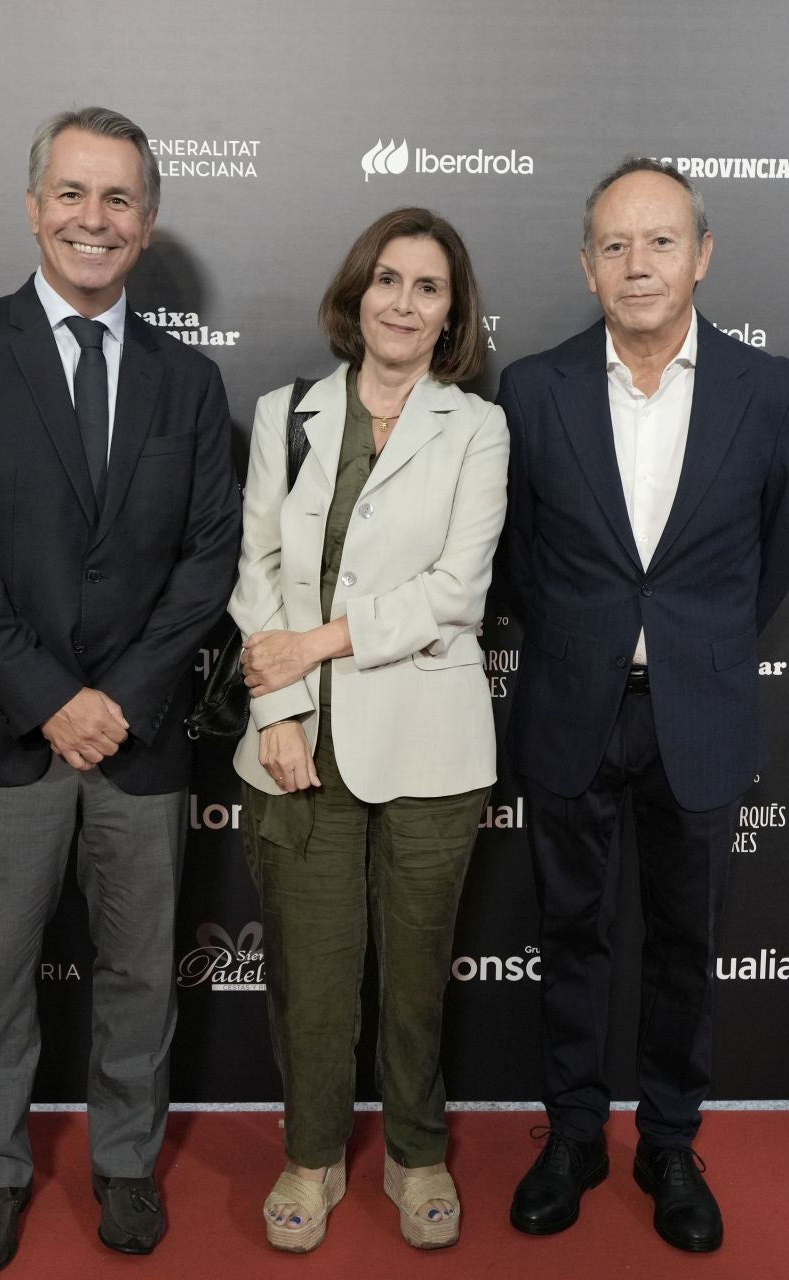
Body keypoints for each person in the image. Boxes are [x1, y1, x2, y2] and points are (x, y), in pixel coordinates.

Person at [0, 105, 240, 1273]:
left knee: (142, 968)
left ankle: (127, 1163)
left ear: (148, 221)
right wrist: (51, 695)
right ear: (34, 204)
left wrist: (123, 696)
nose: (96, 219)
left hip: (138, 736)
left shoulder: (189, 383)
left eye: (120, 199)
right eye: (74, 194)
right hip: (3, 729)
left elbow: (208, 559)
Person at [498, 159, 789, 1253]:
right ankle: (575, 1132)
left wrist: (694, 646)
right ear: (587, 265)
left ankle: (672, 1140)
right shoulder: (533, 390)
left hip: (700, 710)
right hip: (570, 704)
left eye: (662, 241)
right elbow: (517, 563)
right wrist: (593, 642)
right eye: (616, 246)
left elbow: (774, 561)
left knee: (687, 943)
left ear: (704, 254)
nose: (640, 265)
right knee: (570, 932)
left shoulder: (770, 392)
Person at [228, 207, 508, 1252]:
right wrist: (279, 704)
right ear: (357, 295)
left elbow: (455, 594)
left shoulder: (477, 426)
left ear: (451, 313)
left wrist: (320, 642)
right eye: (386, 279)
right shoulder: (285, 412)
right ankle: (309, 1156)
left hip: (433, 741)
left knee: (415, 971)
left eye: (427, 286)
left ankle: (416, 1149)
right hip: (297, 744)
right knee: (309, 967)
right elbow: (253, 574)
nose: (402, 301)